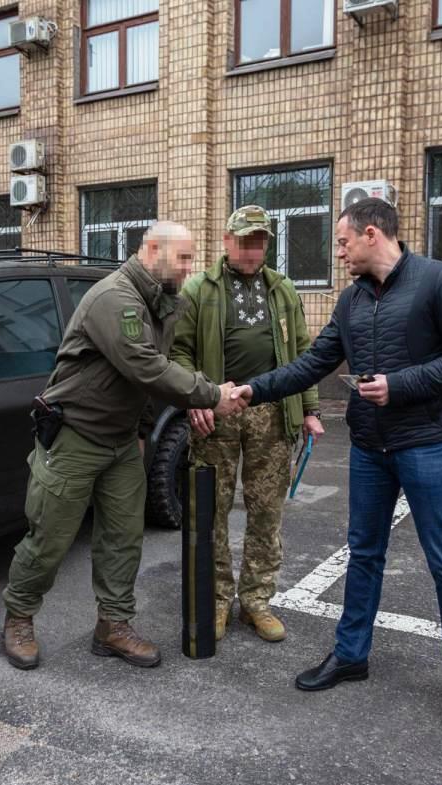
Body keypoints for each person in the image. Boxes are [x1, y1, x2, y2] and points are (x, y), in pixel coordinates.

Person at [231, 198, 442, 731]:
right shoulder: (351, 302)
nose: (340, 253)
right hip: (370, 448)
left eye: (344, 242)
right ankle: (351, 655)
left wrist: (399, 386)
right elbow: (311, 363)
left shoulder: (441, 280)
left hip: (427, 444)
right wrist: (253, 390)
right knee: (363, 553)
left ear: (372, 234)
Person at [2, 222, 246, 671]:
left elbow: (151, 379)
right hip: (75, 436)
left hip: (119, 441)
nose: (190, 268)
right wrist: (213, 395)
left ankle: (112, 625)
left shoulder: (164, 303)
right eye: (184, 258)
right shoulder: (115, 298)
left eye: (193, 259)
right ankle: (19, 616)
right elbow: (146, 367)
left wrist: (142, 430)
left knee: (123, 539)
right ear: (152, 250)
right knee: (49, 540)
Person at [171, 205, 323, 643]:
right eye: (244, 240)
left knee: (266, 512)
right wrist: (195, 394)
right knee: (211, 511)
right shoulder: (199, 289)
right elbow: (179, 351)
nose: (252, 250)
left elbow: (301, 352)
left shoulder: (283, 289)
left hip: (272, 414)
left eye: (259, 241)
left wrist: (310, 409)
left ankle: (256, 601)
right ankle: (217, 600)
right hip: (218, 411)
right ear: (226, 240)